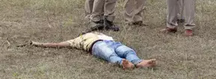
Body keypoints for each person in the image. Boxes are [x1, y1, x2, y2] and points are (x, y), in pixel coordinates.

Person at [29, 32, 157, 70]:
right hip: (96, 45)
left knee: (127, 50)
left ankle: (139, 62)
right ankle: (122, 63)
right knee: (109, 54)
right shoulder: (78, 39)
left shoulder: (103, 34)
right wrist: (39, 44)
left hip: (113, 42)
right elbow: (57, 44)